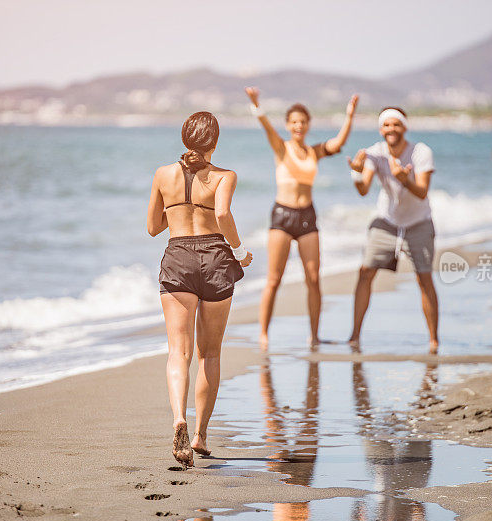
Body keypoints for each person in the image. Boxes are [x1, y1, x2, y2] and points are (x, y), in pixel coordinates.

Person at [147, 111, 253, 468]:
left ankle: (179, 417)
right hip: (216, 258)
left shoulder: (163, 174)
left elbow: (152, 227)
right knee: (210, 354)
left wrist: (178, 208)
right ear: (215, 142)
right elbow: (222, 215)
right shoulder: (225, 176)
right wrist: (239, 250)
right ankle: (201, 435)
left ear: (184, 138)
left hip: (178, 257)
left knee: (179, 352)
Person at [245, 86, 358, 350]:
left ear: (308, 125)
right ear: (288, 125)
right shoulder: (281, 148)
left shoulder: (314, 151)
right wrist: (256, 104)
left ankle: (315, 335)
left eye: (303, 122)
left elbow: (338, 144)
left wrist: (349, 116)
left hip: (307, 216)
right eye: (294, 122)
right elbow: (265, 126)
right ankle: (263, 333)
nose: (299, 126)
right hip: (282, 216)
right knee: (274, 279)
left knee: (313, 278)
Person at [347, 107, 439, 354]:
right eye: (386, 125)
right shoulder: (375, 154)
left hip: (419, 221)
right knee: (365, 271)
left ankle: (433, 341)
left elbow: (422, 192)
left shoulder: (421, 152)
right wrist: (356, 173)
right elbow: (364, 190)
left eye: (396, 125)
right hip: (386, 221)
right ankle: (354, 336)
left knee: (424, 278)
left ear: (404, 128)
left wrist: (404, 179)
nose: (391, 129)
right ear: (380, 129)